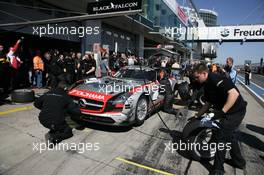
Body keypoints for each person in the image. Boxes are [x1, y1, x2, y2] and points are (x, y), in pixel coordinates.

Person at [193, 63, 247, 175]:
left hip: (236, 111)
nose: (196, 79)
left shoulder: (216, 78)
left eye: (197, 77)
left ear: (204, 73)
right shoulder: (206, 84)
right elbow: (208, 103)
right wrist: (198, 115)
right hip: (228, 111)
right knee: (229, 136)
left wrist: (221, 112)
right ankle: (239, 162)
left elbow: (233, 94)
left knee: (221, 136)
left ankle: (218, 170)